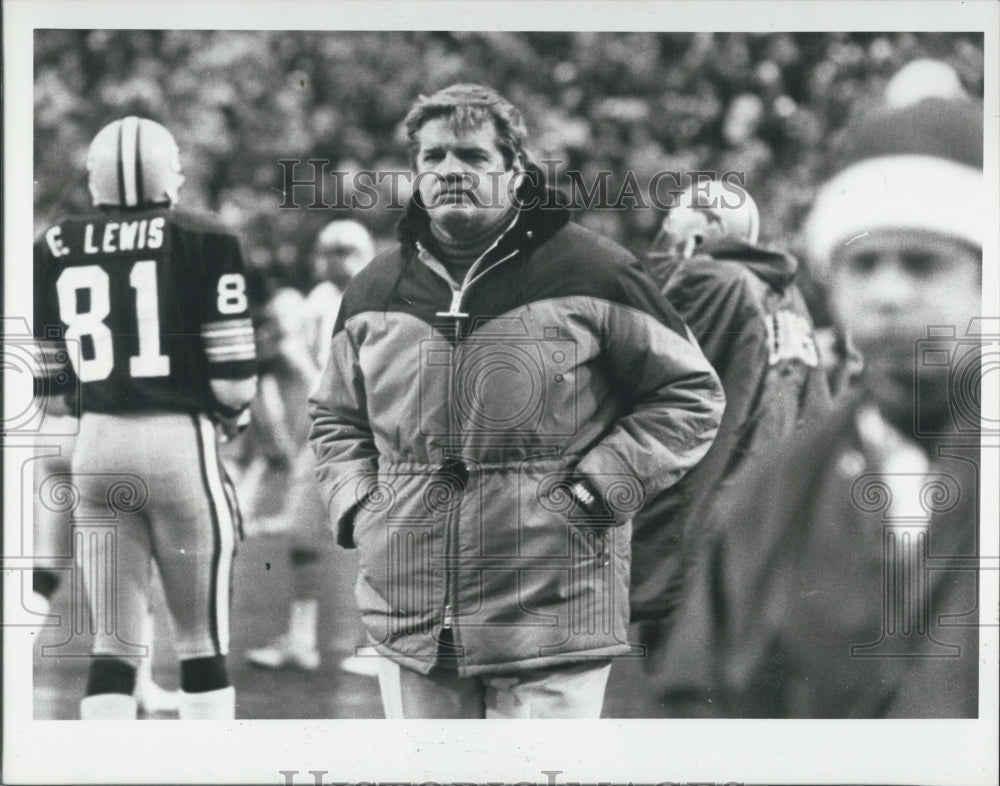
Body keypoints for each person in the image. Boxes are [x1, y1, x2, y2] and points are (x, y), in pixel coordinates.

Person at [308, 83, 725, 718]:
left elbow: (689, 393)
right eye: (433, 158)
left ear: (515, 171)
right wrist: (363, 504)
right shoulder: (373, 288)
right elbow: (335, 417)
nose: (450, 171)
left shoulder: (595, 270)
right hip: (413, 619)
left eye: (472, 157)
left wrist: (593, 493)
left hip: (552, 612)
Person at [651, 85, 984, 717]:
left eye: (921, 264)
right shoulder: (778, 490)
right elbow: (700, 705)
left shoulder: (712, 284)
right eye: (862, 265)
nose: (887, 293)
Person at [33, 116, 257, 719]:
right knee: (201, 646)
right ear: (168, 174)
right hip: (177, 442)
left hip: (96, 447)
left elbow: (52, 390)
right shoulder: (205, 235)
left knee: (113, 647)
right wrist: (235, 416)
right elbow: (234, 379)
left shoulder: (54, 244)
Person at [630, 181, 832, 669]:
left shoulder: (706, 278)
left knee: (682, 706)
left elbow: (641, 382)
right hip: (768, 527)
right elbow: (819, 410)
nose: (664, 233)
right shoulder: (789, 299)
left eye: (673, 219)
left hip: (700, 528)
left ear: (711, 227)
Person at [243, 221, 378, 676]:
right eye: (329, 250)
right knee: (302, 533)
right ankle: (301, 640)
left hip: (372, 433)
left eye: (346, 250)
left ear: (366, 251)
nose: (336, 259)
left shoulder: (387, 294)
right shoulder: (317, 300)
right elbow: (301, 363)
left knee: (380, 538)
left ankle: (381, 641)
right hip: (325, 433)